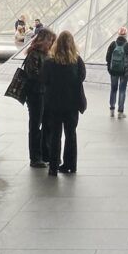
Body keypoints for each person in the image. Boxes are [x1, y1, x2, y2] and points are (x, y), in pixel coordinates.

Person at [42, 30, 86, 176]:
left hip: (54, 104)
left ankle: (53, 166)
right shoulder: (77, 61)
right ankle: (70, 165)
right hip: (72, 104)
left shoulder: (49, 62)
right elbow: (81, 78)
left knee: (55, 135)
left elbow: (44, 80)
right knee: (71, 135)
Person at [22, 26, 55, 167]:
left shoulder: (46, 55)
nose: (51, 44)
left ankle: (45, 154)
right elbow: (33, 74)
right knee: (35, 125)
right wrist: (48, 77)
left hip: (45, 93)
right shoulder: (34, 54)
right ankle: (35, 157)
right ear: (43, 40)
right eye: (50, 41)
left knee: (47, 124)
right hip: (36, 94)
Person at [106, 26, 128, 118]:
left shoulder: (113, 44)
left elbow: (107, 58)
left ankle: (112, 110)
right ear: (126, 35)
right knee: (122, 90)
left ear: (118, 34)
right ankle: (120, 112)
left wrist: (109, 68)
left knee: (113, 89)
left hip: (113, 71)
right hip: (124, 72)